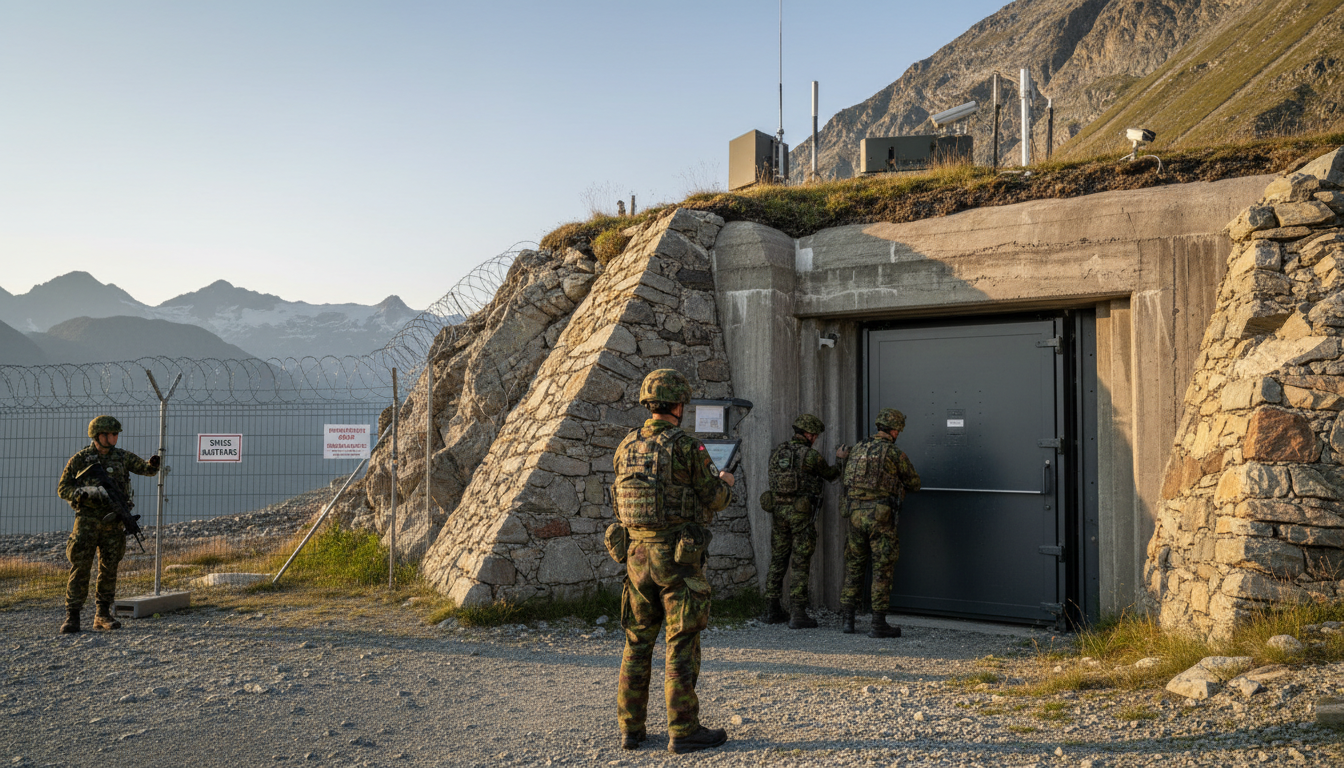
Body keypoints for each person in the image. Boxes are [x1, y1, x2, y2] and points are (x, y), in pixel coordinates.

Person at [608, 369, 734, 754]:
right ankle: (683, 730)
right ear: (679, 405)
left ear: (649, 403)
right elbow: (714, 498)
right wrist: (726, 483)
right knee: (680, 642)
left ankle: (631, 729)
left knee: (637, 641)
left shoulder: (626, 445)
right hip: (677, 558)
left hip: (636, 556)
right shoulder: (688, 447)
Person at [55, 415, 160, 634]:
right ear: (98, 435)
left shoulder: (121, 457)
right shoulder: (80, 459)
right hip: (87, 521)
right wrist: (83, 492)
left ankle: (102, 614)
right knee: (80, 567)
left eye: (116, 434)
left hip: (113, 522)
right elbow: (63, 489)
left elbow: (145, 469)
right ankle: (72, 616)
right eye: (111, 434)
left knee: (109, 568)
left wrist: (153, 464)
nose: (115, 438)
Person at [759, 414, 848, 629]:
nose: (815, 439)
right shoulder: (810, 456)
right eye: (814, 435)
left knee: (778, 559)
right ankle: (798, 613)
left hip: (779, 513)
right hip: (800, 515)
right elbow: (831, 475)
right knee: (800, 562)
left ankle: (771, 609)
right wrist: (840, 459)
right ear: (808, 434)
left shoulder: (777, 452)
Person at [839, 408, 920, 638]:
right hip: (880, 518)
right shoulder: (894, 453)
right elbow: (914, 483)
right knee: (881, 568)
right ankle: (878, 624)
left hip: (855, 515)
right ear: (894, 430)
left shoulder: (857, 449)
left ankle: (848, 621)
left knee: (854, 566)